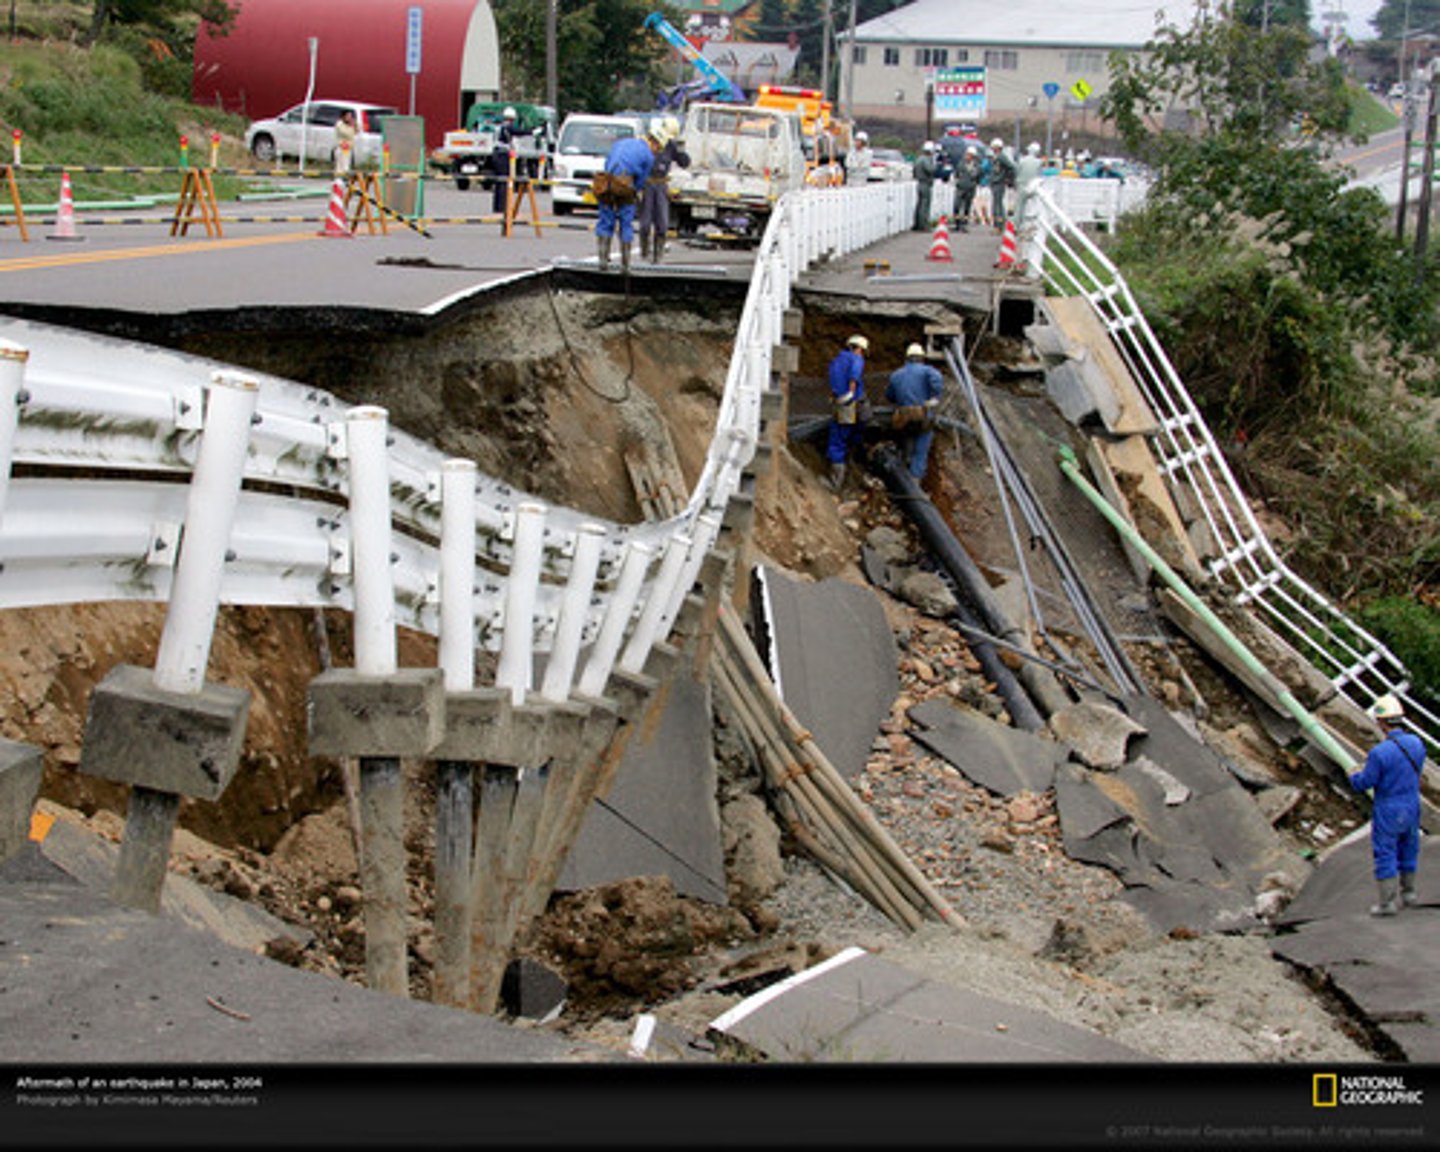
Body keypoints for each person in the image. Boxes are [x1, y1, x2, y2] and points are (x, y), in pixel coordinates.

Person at [1350, 694, 1425, 916]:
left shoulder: (1380, 752)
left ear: (1382, 723)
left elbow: (1366, 782)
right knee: (1409, 848)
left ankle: (1387, 903)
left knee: (1386, 852)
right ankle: (1409, 893)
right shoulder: (1417, 744)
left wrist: (1353, 775)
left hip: (1389, 806)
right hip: (1412, 803)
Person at [594, 122, 668, 272]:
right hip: (625, 185)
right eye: (658, 148)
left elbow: (608, 162)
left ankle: (603, 261)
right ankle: (625, 264)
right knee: (625, 223)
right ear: (654, 143)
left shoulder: (622, 143)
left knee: (605, 221)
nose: (656, 152)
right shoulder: (648, 156)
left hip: (607, 182)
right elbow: (641, 180)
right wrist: (636, 192)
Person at [885, 343, 945, 478]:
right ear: (921, 358)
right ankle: (915, 480)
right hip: (921, 416)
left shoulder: (896, 375)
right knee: (920, 450)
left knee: (907, 445)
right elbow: (937, 380)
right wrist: (935, 396)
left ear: (907, 358)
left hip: (903, 417)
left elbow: (889, 396)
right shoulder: (927, 371)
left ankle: (904, 473)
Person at [637, 116, 689, 264]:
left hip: (661, 185)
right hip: (647, 183)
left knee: (662, 224)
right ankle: (644, 252)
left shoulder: (671, 146)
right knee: (645, 223)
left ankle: (658, 255)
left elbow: (684, 163)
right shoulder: (646, 142)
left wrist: (680, 150)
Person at [826, 333, 869, 490]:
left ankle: (842, 475)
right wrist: (850, 393)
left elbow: (833, 383)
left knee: (838, 436)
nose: (862, 354)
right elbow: (854, 376)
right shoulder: (855, 359)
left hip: (840, 403)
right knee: (843, 438)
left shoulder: (836, 361)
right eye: (862, 351)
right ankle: (838, 482)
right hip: (850, 403)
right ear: (857, 348)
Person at [491, 106, 519, 216]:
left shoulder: (499, 126)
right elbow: (518, 132)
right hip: (502, 155)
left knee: (499, 181)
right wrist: (532, 131)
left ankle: (497, 206)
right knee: (504, 180)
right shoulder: (507, 127)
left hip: (496, 153)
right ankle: (502, 206)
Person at [1013, 141, 1044, 231]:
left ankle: (1017, 225)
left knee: (1019, 206)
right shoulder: (1039, 162)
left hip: (1021, 184)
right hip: (1033, 186)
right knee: (1034, 206)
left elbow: (1017, 172)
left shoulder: (1022, 160)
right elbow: (1039, 175)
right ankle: (1032, 224)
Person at [988, 138, 1016, 233]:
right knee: (996, 204)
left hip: (999, 182)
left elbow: (1011, 167)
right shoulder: (997, 157)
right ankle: (998, 224)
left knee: (997, 205)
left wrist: (1008, 178)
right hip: (995, 182)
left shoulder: (1001, 157)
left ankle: (999, 225)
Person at [952, 145, 980, 232]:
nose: (967, 156)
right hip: (960, 188)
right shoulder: (961, 164)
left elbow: (978, 177)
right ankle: (957, 224)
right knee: (957, 205)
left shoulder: (976, 166)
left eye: (970, 155)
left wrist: (973, 184)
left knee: (967, 207)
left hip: (970, 189)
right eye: (967, 154)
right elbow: (956, 174)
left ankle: (964, 224)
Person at [913, 142, 937, 232]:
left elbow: (914, 171)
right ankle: (923, 225)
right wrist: (934, 165)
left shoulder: (918, 159)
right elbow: (930, 169)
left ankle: (917, 223)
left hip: (919, 183)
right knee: (925, 205)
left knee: (919, 204)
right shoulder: (926, 160)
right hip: (925, 183)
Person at [333, 109, 357, 175]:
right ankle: (338, 182)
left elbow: (356, 131)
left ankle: (344, 182)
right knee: (340, 167)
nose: (349, 118)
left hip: (348, 148)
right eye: (348, 116)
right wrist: (351, 126)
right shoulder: (340, 124)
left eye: (350, 116)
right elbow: (346, 133)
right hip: (341, 148)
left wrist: (354, 125)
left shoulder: (350, 125)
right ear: (343, 116)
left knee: (346, 167)